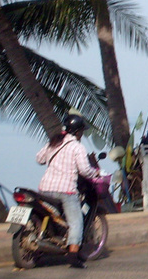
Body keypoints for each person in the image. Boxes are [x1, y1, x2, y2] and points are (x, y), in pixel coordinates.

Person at [36, 113, 100, 268]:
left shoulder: (54, 143)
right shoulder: (77, 147)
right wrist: (95, 173)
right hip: (65, 191)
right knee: (76, 222)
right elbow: (84, 170)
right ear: (77, 132)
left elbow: (39, 159)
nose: (82, 134)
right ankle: (72, 255)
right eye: (82, 132)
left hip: (45, 188)